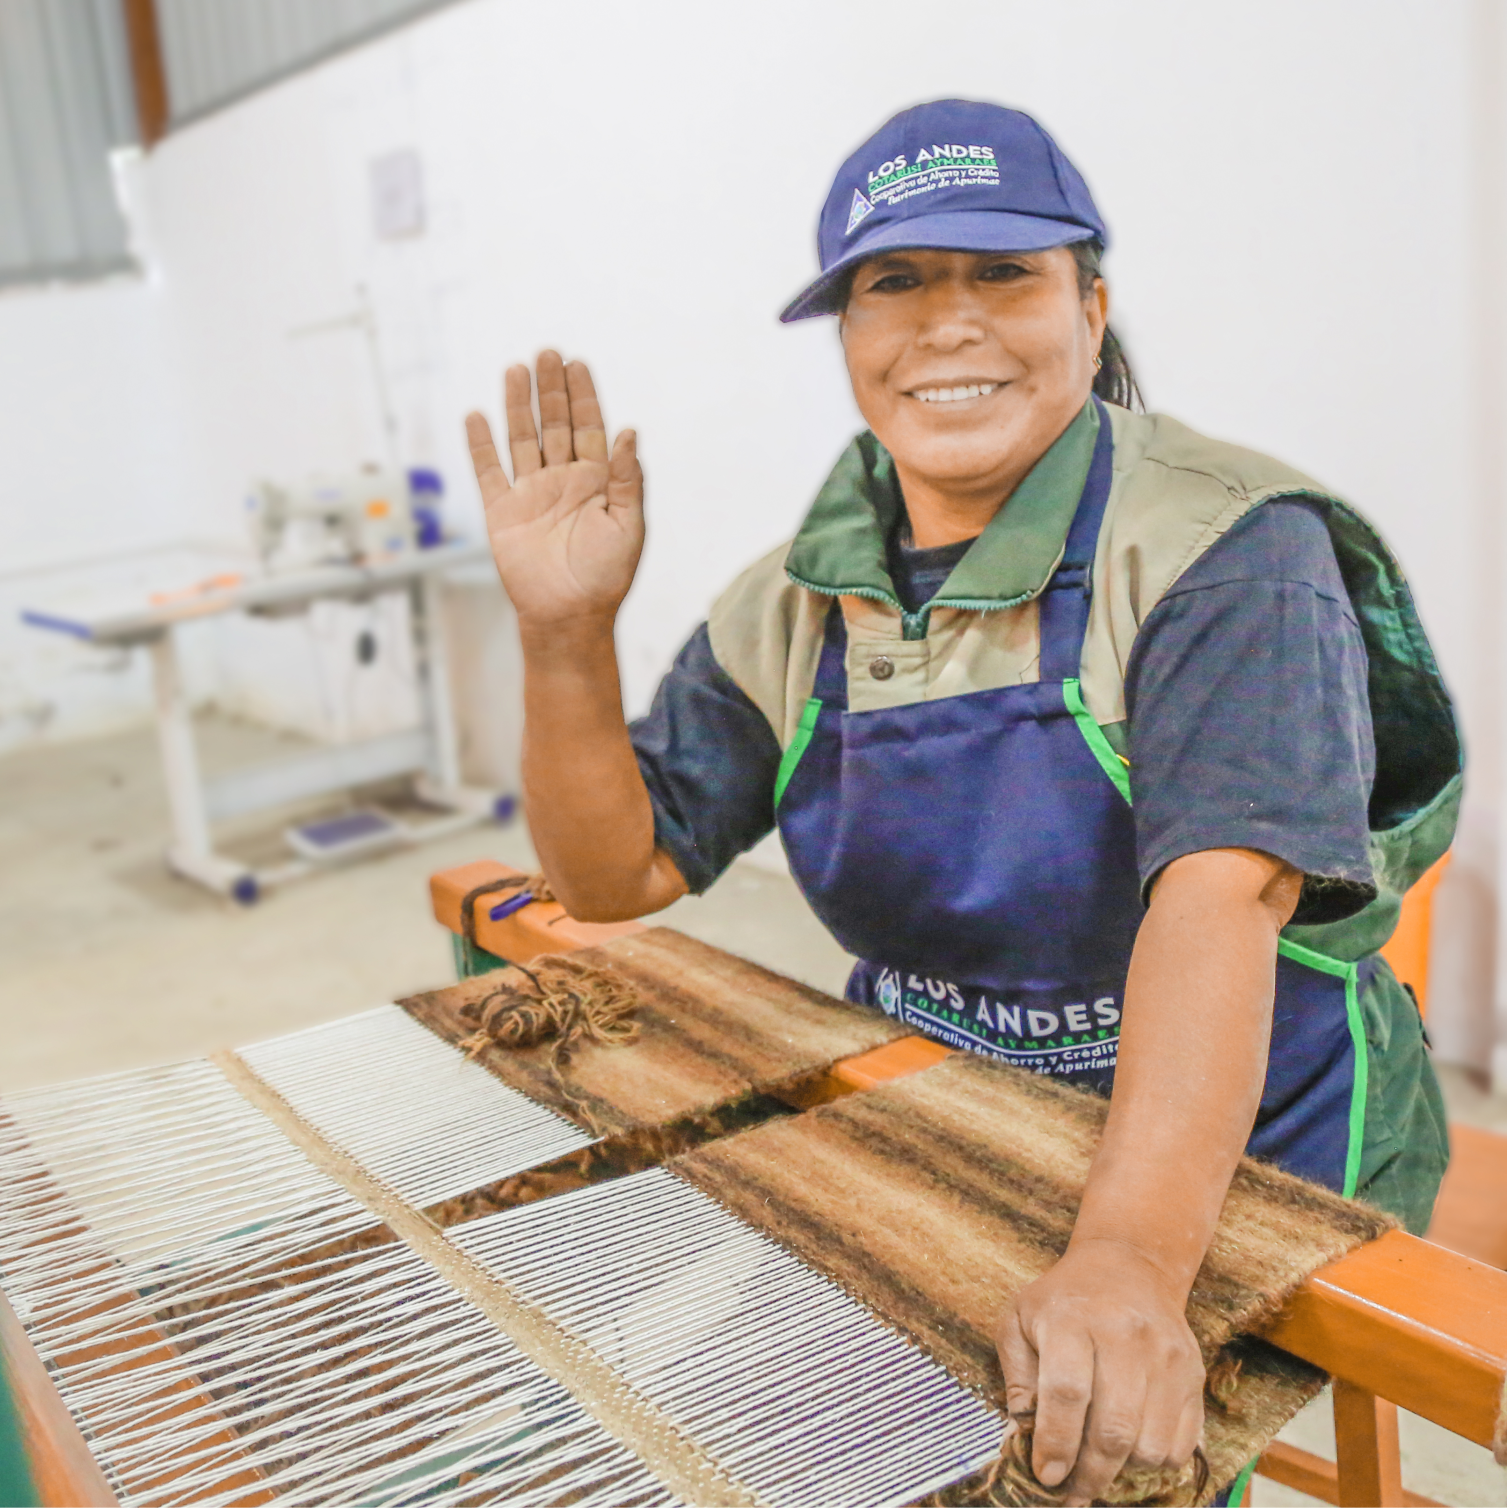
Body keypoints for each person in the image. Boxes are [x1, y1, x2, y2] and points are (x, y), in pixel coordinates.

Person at [464, 98, 1460, 1507]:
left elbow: (1218, 898)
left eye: (1004, 273)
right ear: (851, 338)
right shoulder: (804, 595)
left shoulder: (1223, 548)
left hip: (1239, 1133)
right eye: (895, 283)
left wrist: (1125, 1261)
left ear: (1092, 307)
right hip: (951, 1100)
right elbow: (617, 877)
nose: (948, 324)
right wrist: (564, 635)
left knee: (1093, 1451)